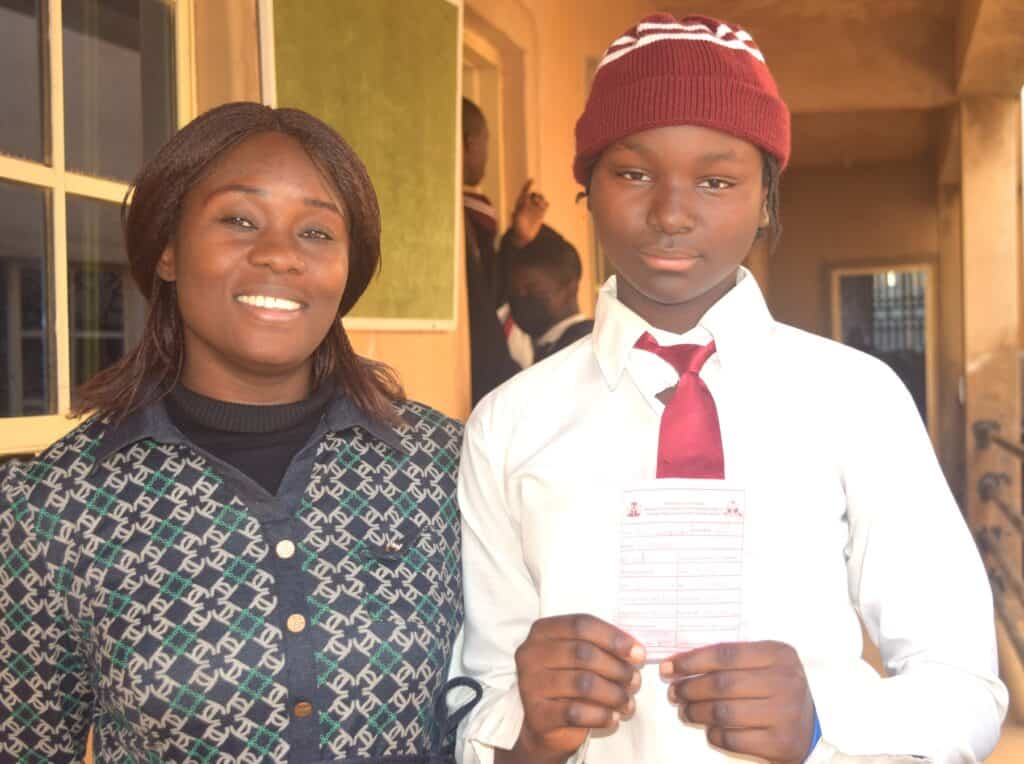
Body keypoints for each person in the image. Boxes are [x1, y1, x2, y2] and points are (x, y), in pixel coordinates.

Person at [454, 13, 1006, 764]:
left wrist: (825, 721)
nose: (672, 212)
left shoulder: (857, 399)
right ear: (585, 185)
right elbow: (481, 696)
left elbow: (965, 686)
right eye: (633, 173)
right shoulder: (509, 425)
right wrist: (526, 737)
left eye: (717, 180)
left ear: (767, 199)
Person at [0, 102, 475, 762]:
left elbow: (493, 703)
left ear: (347, 270)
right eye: (239, 220)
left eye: (316, 232)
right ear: (167, 250)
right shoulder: (54, 506)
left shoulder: (443, 467)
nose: (279, 254)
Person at [462, 97, 547, 404]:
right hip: (484, 382)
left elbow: (489, 288)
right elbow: (487, 305)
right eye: (486, 143)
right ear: (470, 144)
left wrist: (516, 239)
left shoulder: (473, 220)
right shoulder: (466, 217)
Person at [504, 224, 593, 365]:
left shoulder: (585, 348)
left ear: (570, 289)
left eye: (533, 289)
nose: (521, 298)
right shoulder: (547, 347)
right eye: (515, 291)